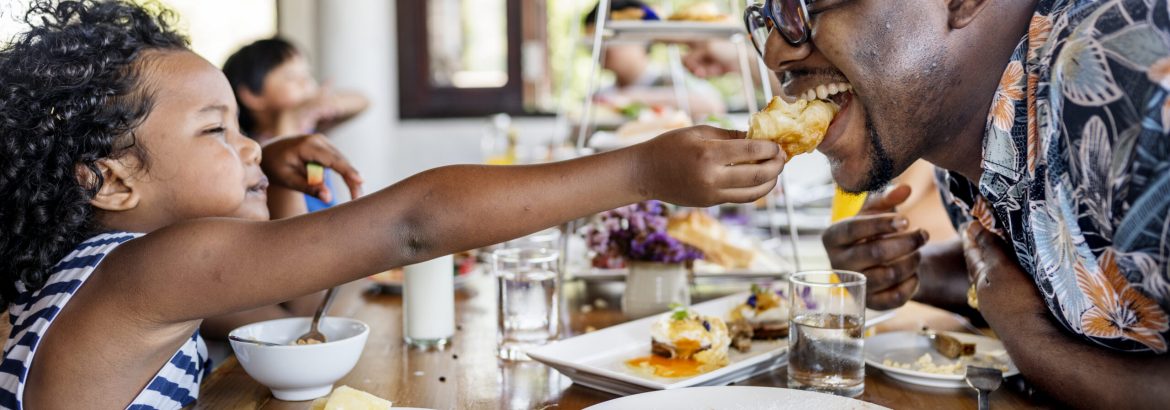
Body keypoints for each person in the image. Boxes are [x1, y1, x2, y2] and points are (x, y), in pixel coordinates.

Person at [0, 1, 786, 407]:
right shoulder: (151, 272)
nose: (248, 145)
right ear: (109, 181)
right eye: (218, 130)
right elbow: (412, 224)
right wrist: (642, 167)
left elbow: (296, 306)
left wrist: (273, 176)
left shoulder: (119, 275)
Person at [748, 0, 1170, 406]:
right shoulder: (967, 132)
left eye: (806, 4)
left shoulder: (1118, 75)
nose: (774, 51)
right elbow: (1077, 268)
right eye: (768, 16)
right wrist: (918, 273)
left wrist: (1030, 340)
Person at [222, 37, 369, 216]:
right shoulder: (254, 150)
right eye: (292, 78)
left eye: (307, 75)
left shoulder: (309, 129)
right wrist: (289, 117)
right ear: (252, 95)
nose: (306, 83)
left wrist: (331, 102)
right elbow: (284, 147)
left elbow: (363, 101)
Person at [583, 0, 726, 118]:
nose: (600, 49)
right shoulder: (602, 94)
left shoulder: (669, 79)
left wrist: (631, 98)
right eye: (593, 42)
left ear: (641, 37)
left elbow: (714, 104)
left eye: (608, 39)